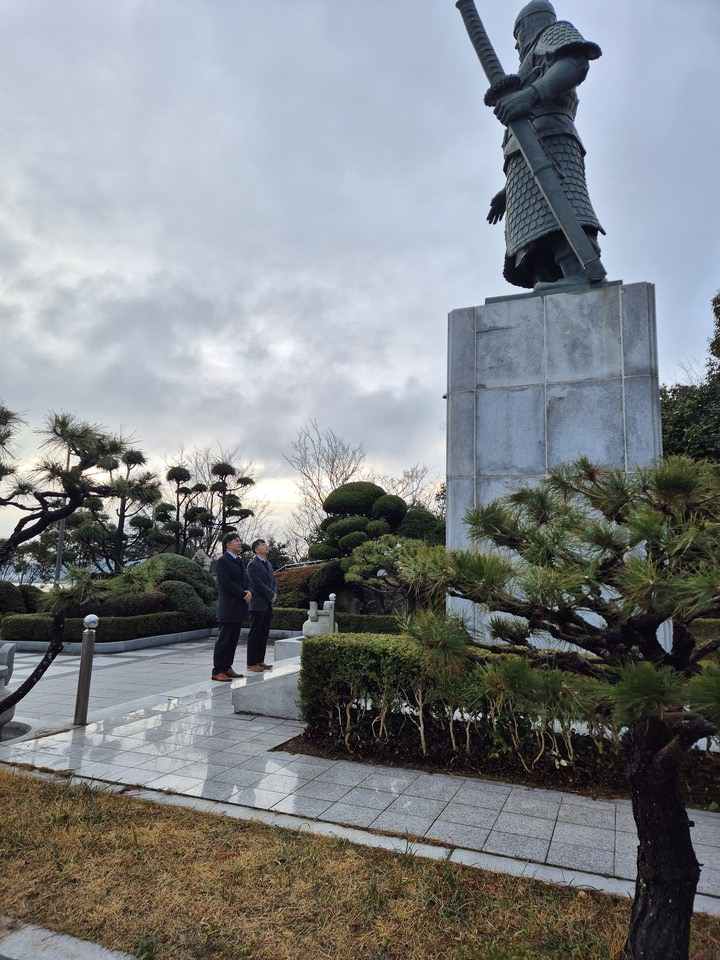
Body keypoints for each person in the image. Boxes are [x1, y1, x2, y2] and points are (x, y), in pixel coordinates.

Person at [487, 0, 604, 291]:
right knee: (532, 234)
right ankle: (548, 280)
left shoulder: (552, 35)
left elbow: (574, 64)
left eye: (518, 37)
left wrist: (529, 96)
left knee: (564, 204)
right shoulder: (525, 65)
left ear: (527, 26)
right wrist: (508, 190)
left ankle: (578, 270)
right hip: (522, 160)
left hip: (552, 141)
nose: (517, 46)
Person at [212, 532, 252, 682]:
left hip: (239, 606)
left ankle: (227, 667)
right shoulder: (223, 561)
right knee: (224, 639)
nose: (239, 542)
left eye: (239, 540)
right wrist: (243, 594)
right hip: (228, 606)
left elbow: (246, 579)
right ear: (228, 545)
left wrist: (249, 591)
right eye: (236, 541)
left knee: (233, 639)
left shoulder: (239, 560)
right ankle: (217, 670)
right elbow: (226, 583)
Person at [245, 538, 277, 672]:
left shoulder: (268, 564)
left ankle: (260, 660)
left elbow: (273, 581)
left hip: (268, 604)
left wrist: (274, 593)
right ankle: (251, 663)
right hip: (257, 604)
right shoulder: (253, 564)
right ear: (256, 549)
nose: (266, 547)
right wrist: (271, 594)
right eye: (263, 545)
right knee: (255, 634)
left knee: (264, 634)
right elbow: (256, 583)